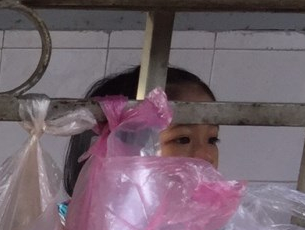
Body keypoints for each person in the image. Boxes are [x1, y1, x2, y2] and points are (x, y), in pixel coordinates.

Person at [62, 66, 220, 195]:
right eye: (182, 139)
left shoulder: (210, 219)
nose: (205, 156)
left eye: (212, 140)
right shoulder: (75, 223)